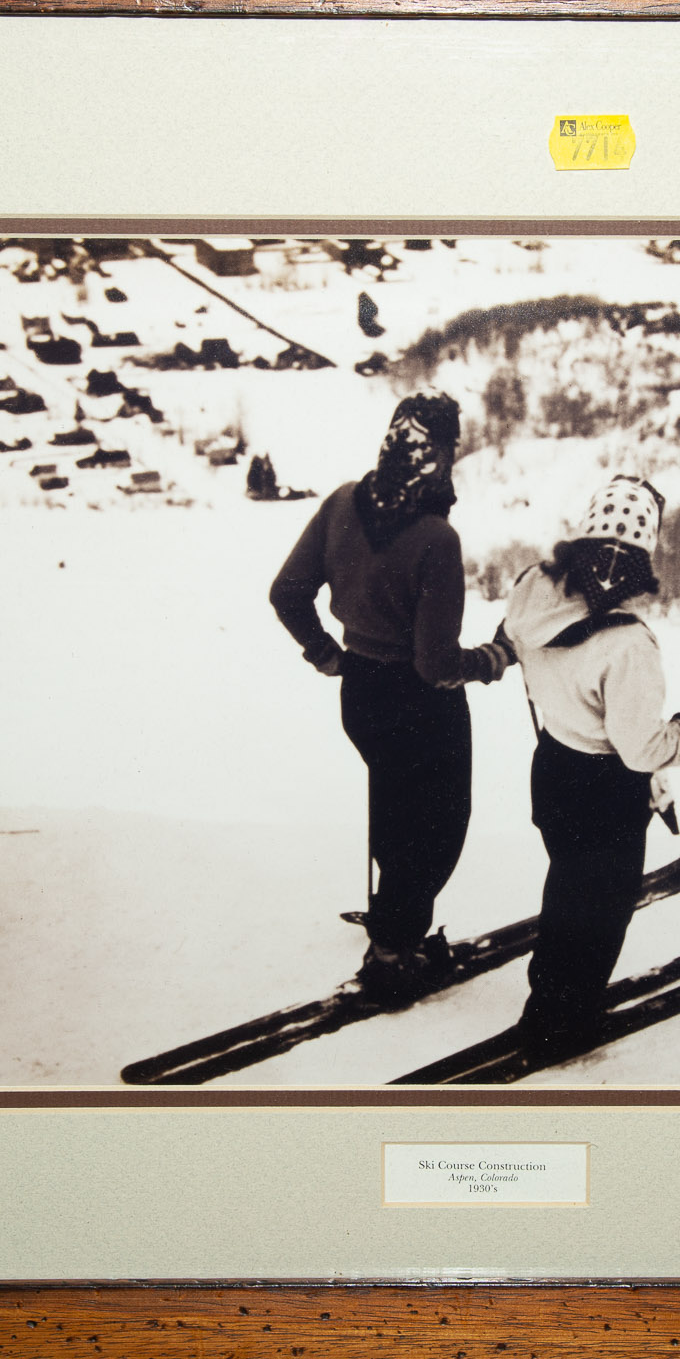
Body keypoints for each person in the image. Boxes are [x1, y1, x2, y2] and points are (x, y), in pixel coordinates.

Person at [501, 475, 680, 1060]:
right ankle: (564, 1020)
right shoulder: (628, 644)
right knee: (601, 909)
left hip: (553, 767)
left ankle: (546, 1002)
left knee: (568, 888)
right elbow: (641, 749)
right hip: (605, 789)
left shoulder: (531, 591)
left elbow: (515, 639)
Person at [269, 393, 510, 1006]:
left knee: (394, 811)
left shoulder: (342, 503)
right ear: (441, 458)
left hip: (362, 693)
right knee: (438, 829)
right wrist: (492, 660)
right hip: (422, 703)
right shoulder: (436, 538)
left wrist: (326, 654)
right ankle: (394, 953)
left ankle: (393, 928)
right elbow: (435, 664)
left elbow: (287, 593)